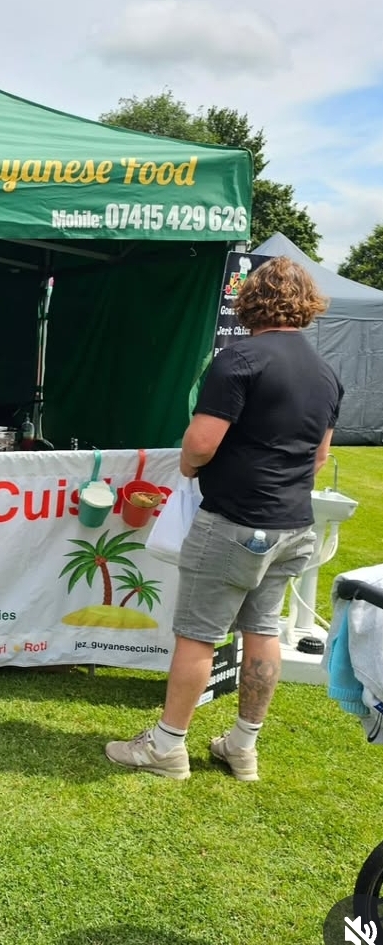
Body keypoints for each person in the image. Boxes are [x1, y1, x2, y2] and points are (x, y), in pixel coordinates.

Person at [105, 256, 343, 782]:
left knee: (196, 634)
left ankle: (167, 746)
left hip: (235, 520)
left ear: (250, 301)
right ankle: (242, 745)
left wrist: (189, 467)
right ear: (306, 305)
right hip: (292, 524)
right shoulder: (325, 372)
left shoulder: (239, 359)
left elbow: (201, 443)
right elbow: (320, 457)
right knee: (263, 631)